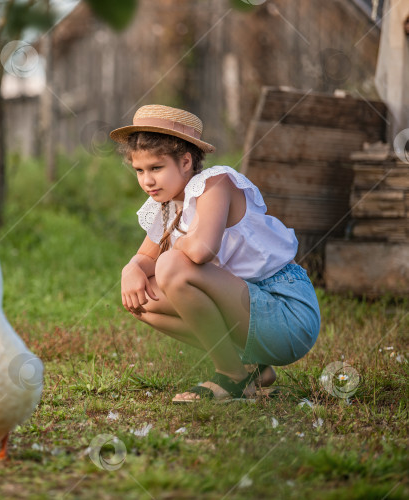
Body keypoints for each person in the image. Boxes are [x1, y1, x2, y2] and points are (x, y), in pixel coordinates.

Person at [111, 105, 321, 402]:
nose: (147, 181)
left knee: (171, 265)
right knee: (142, 299)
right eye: (140, 170)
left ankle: (230, 377)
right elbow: (145, 258)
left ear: (185, 162)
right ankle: (250, 369)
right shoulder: (169, 205)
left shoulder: (215, 184)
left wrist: (167, 251)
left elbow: (201, 250)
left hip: (286, 312)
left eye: (156, 168)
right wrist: (131, 268)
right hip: (249, 309)